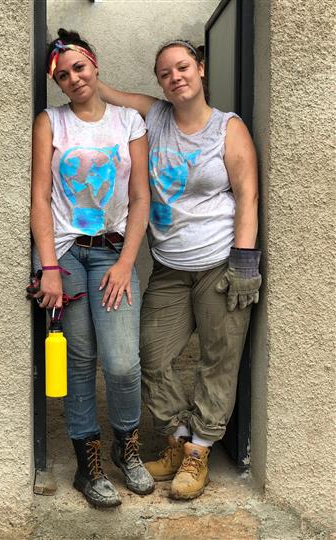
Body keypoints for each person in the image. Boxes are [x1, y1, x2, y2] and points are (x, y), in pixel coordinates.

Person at [98, 39, 261, 501]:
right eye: (166, 72)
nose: (176, 77)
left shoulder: (228, 129)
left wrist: (244, 262)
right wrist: (72, 57)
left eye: (183, 67)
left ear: (201, 69)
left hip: (219, 265)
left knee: (219, 359)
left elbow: (247, 194)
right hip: (169, 268)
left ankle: (200, 451)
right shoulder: (154, 116)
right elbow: (105, 92)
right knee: (149, 353)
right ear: (160, 82)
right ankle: (177, 437)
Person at [30, 29, 154, 508]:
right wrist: (49, 267)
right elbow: (40, 197)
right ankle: (89, 464)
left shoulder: (129, 122)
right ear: (57, 84)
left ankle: (128, 449)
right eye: (63, 75)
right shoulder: (51, 123)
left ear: (95, 66)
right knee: (79, 360)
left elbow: (141, 197)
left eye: (79, 68)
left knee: (122, 362)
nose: (73, 78)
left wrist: (126, 262)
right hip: (65, 254)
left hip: (113, 253)